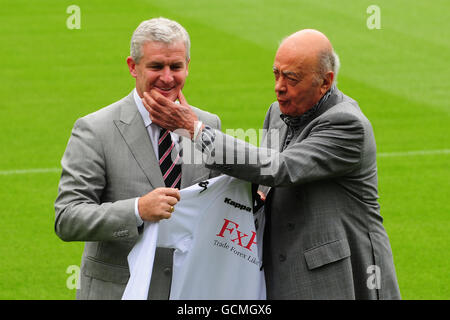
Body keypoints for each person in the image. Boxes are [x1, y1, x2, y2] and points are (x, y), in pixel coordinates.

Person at [143, 29, 401, 299]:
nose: (279, 86)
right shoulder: (277, 112)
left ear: (325, 82)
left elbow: (280, 168)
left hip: (337, 276)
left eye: (291, 78)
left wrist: (195, 130)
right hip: (280, 272)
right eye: (276, 73)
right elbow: (261, 181)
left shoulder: (348, 125)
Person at [54, 17, 221, 300]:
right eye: (156, 66)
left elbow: (219, 203)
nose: (168, 78)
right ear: (133, 66)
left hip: (190, 290)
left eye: (176, 67)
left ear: (187, 66)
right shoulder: (95, 129)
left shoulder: (207, 125)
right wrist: (137, 210)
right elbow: (68, 218)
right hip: (119, 290)